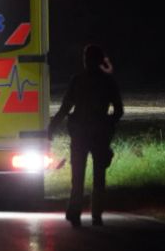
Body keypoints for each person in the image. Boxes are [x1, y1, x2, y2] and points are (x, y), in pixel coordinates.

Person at [48, 44, 123, 227]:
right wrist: (108, 124)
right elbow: (119, 110)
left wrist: (52, 127)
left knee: (78, 174)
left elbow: (66, 107)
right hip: (99, 134)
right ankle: (96, 215)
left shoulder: (78, 80)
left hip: (80, 133)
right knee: (99, 175)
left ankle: (75, 212)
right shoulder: (108, 82)